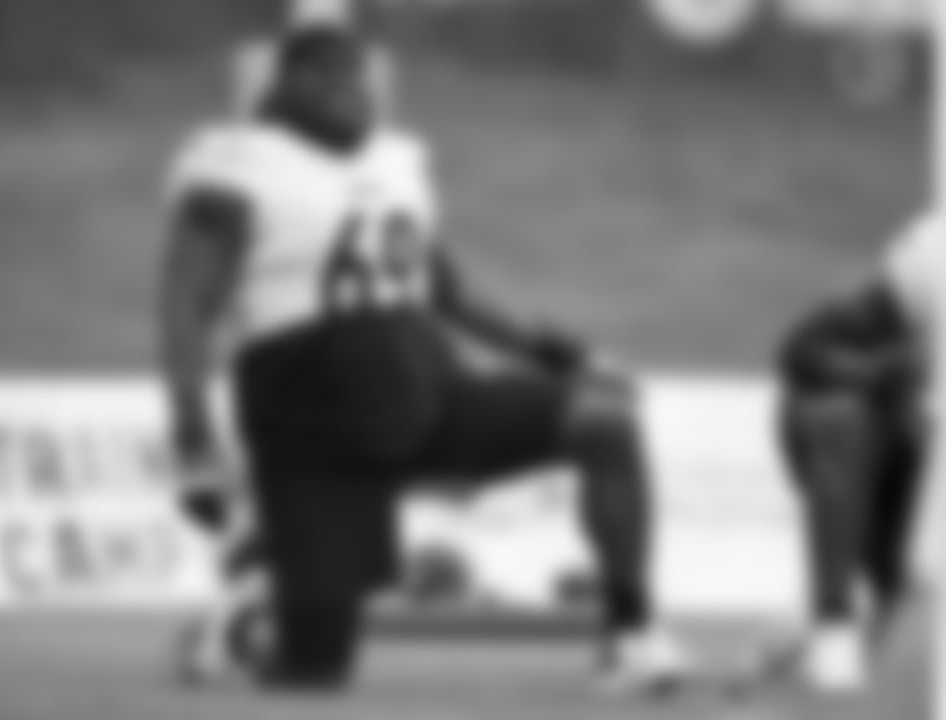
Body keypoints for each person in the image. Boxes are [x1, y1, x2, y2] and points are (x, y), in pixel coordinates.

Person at [160, 19, 692, 693]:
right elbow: (184, 311)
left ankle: (633, 634)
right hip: (314, 438)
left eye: (362, 76)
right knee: (314, 672)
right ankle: (253, 599)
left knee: (605, 419)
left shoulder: (395, 162)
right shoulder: (235, 170)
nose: (358, 93)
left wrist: (565, 356)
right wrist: (193, 436)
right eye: (336, 77)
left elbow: (450, 291)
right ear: (294, 83)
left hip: (429, 401)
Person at [769, 217, 932, 692]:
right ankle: (833, 622)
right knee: (839, 416)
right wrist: (887, 373)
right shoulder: (926, 268)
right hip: (882, 448)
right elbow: (800, 351)